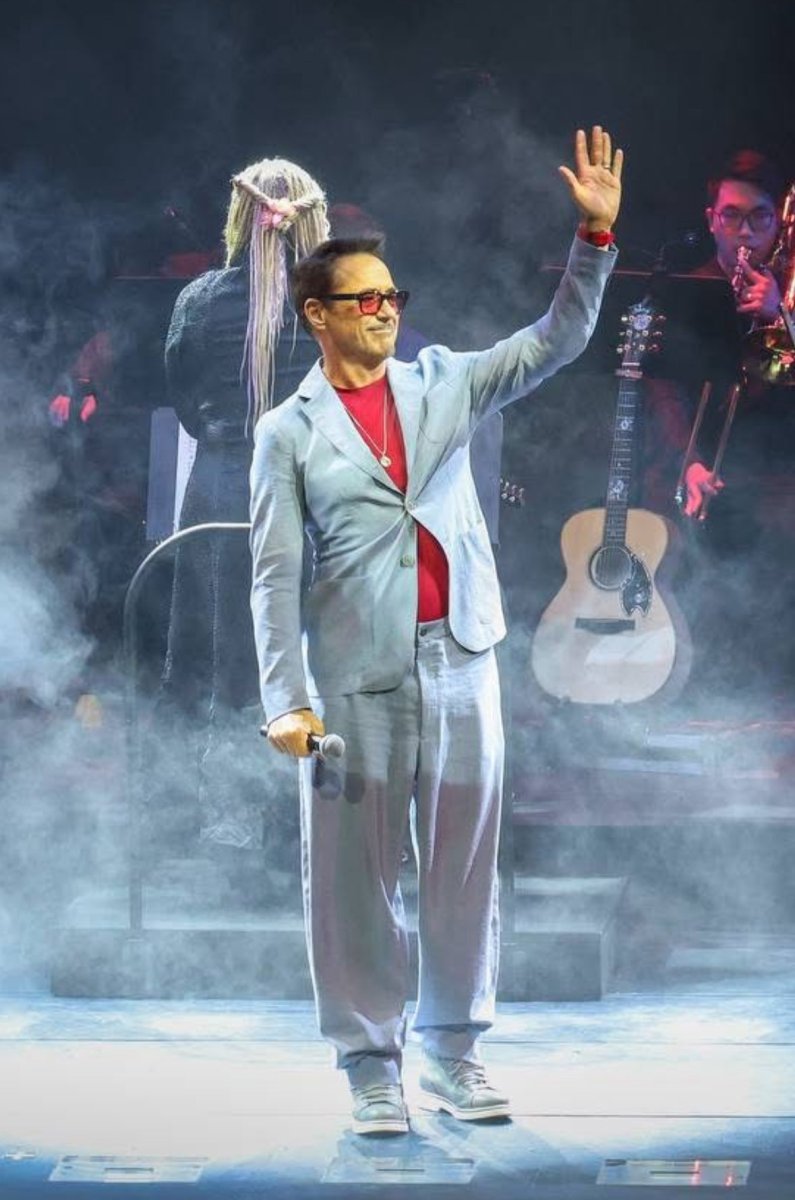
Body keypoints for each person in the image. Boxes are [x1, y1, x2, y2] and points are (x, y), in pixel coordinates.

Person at [249, 126, 623, 1135]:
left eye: (392, 296)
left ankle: (455, 1055)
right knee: (353, 882)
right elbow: (273, 573)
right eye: (363, 299)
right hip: (355, 677)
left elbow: (553, 342)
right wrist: (286, 698)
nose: (385, 310)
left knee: (463, 869)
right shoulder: (288, 431)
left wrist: (592, 243)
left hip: (460, 658)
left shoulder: (444, 380)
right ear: (318, 316)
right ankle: (370, 1066)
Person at [158, 158, 329, 859]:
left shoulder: (199, 301)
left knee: (226, 658)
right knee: (322, 655)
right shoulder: (337, 299)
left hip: (224, 492)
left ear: (238, 217)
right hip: (319, 497)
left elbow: (181, 393)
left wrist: (231, 439)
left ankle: (225, 827)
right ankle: (315, 825)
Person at [676, 150, 795, 700]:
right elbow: (664, 389)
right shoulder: (688, 290)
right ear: (711, 220)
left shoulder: (788, 292)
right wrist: (688, 462)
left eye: (759, 217)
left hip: (777, 473)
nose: (745, 232)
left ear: (779, 223)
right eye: (732, 216)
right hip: (697, 465)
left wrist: (780, 318)